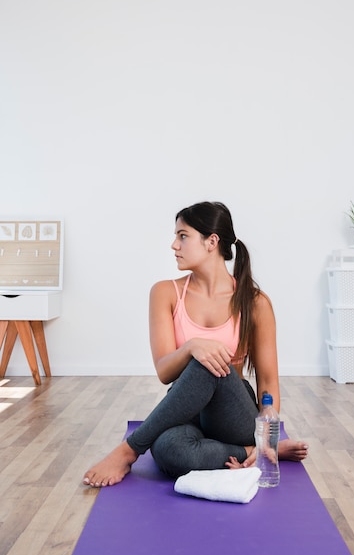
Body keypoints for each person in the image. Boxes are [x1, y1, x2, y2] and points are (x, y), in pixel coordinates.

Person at [83, 201, 308, 487]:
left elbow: (267, 382)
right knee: (167, 451)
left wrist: (267, 427)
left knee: (207, 362)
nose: (174, 245)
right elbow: (165, 372)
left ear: (211, 241)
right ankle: (252, 453)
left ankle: (128, 451)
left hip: (233, 413)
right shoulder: (165, 292)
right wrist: (192, 346)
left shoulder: (255, 302)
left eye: (182, 235)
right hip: (187, 407)